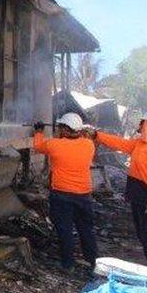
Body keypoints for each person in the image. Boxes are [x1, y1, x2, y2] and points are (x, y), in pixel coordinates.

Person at [90, 110, 147, 270]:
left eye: (143, 124)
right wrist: (97, 135)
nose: (139, 127)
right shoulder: (139, 144)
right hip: (138, 198)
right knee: (144, 236)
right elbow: (120, 143)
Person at [31, 112, 98, 271]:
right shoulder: (89, 145)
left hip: (62, 195)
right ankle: (93, 262)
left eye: (61, 127)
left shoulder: (55, 144)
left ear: (66, 130)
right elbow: (86, 138)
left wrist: (39, 131)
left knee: (64, 230)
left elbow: (38, 146)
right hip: (83, 195)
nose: (59, 130)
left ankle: (68, 264)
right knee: (86, 230)